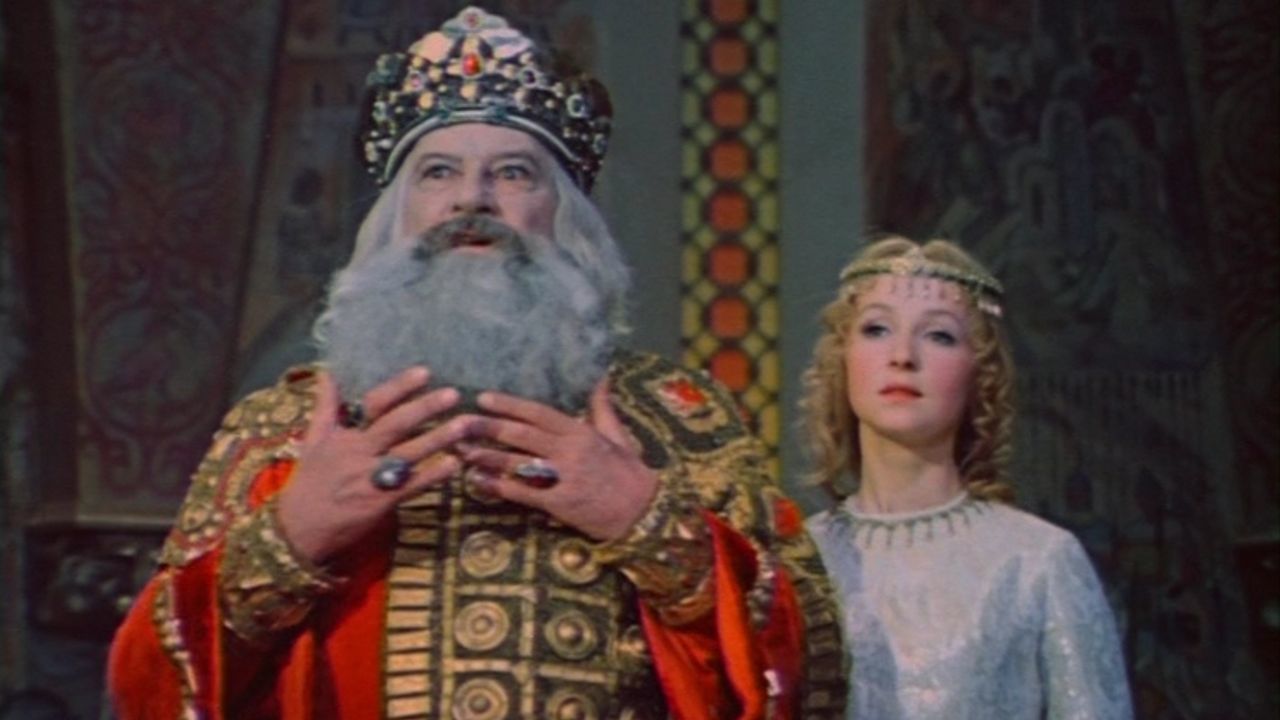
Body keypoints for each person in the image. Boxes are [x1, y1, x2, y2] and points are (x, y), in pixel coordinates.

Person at [107, 7, 846, 719]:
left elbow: (811, 671)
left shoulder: (674, 418)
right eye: (437, 172)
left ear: (565, 216)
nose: (472, 199)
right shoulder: (286, 431)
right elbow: (148, 685)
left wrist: (648, 525)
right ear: (396, 216)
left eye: (514, 173)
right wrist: (291, 536)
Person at [801, 236, 1133, 719]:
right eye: (877, 329)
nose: (902, 355)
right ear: (843, 358)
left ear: (980, 371)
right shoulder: (798, 562)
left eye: (939, 335)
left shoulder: (1036, 561)